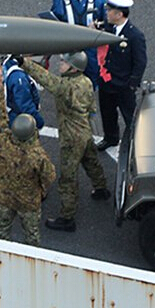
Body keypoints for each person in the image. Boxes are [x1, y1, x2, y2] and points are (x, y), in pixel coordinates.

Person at [23, 52, 109, 231]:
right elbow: (91, 108)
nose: (60, 63)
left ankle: (67, 217)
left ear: (73, 67)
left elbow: (46, 80)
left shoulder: (67, 86)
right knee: (91, 161)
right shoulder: (86, 81)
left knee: (68, 178)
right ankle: (101, 188)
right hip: (84, 131)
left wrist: (25, 63)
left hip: (71, 137)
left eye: (64, 62)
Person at [0, 73, 56, 246]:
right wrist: (40, 190)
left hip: (4, 197)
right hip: (29, 202)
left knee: (1, 232)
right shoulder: (37, 156)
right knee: (31, 238)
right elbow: (49, 176)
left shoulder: (2, 142)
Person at [97, 0, 148, 151]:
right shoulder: (107, 28)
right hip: (107, 82)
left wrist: (132, 83)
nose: (107, 13)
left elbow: (140, 61)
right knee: (107, 113)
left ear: (119, 14)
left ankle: (137, 143)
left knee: (130, 117)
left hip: (123, 85)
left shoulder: (135, 35)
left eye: (109, 11)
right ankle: (110, 138)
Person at [47, 0, 107, 87]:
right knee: (68, 80)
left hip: (91, 48)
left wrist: (98, 26)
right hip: (70, 46)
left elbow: (107, 22)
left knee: (91, 80)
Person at [2, 54, 44, 130]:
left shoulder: (10, 64)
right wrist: (38, 121)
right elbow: (25, 105)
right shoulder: (19, 78)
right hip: (21, 121)